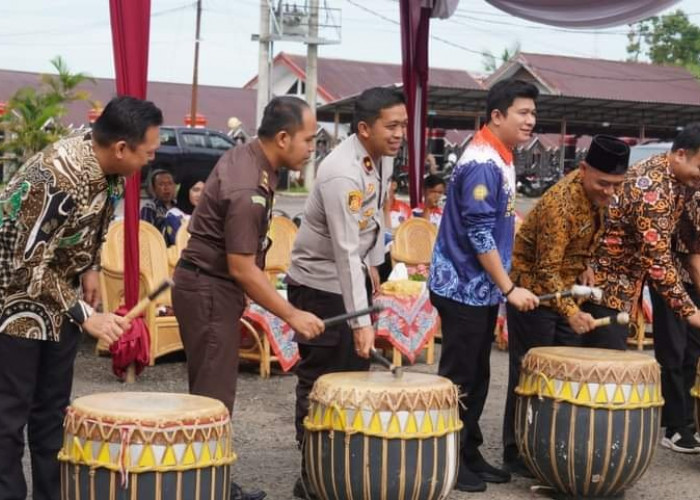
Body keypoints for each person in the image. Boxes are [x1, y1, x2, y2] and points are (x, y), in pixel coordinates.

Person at [0, 96, 163, 500]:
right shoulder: (58, 175)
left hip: (57, 297)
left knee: (53, 412)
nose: (150, 160)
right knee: (8, 416)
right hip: (13, 300)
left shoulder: (109, 171)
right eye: (148, 152)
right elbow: (25, 260)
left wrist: (88, 267)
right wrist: (84, 313)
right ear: (121, 148)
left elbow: (88, 228)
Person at [172, 96, 325, 500]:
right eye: (308, 140)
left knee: (213, 393)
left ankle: (209, 479)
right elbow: (242, 267)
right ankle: (205, 487)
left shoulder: (251, 159)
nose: (311, 149)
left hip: (211, 286)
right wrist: (292, 315)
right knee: (212, 399)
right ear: (282, 137)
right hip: (209, 288)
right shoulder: (247, 187)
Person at [286, 87, 407, 499]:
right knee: (323, 378)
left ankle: (341, 467)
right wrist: (360, 322)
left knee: (354, 379)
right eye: (391, 126)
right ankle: (313, 474)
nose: (399, 134)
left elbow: (373, 218)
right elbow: (343, 248)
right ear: (363, 128)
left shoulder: (380, 158)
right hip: (321, 284)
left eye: (403, 125)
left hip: (350, 275)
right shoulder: (341, 171)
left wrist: (374, 264)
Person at [428, 78, 540, 493]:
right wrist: (510, 288)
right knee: (459, 377)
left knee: (477, 374)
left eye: (533, 112)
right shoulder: (481, 162)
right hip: (461, 286)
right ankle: (448, 459)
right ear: (497, 115)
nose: (531, 120)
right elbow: (478, 234)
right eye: (523, 113)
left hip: (478, 287)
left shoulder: (501, 153)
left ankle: (468, 451)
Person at [502, 135, 630, 475]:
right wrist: (573, 313)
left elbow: (580, 243)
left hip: (564, 289)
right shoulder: (561, 204)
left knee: (562, 375)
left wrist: (584, 263)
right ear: (583, 169)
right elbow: (545, 271)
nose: (609, 192)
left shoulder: (599, 194)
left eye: (617, 184)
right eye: (603, 183)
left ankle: (550, 443)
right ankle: (517, 450)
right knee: (531, 371)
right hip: (534, 292)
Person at [586, 124, 700, 350]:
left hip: (623, 285)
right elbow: (657, 261)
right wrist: (691, 312)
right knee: (604, 368)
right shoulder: (653, 191)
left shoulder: (675, 177)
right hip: (605, 285)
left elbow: (688, 235)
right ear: (680, 155)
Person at [648, 189, 700, 453]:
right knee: (674, 353)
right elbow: (693, 260)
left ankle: (688, 423)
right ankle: (675, 427)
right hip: (671, 282)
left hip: (694, 282)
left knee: (692, 352)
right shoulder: (696, 199)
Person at [163, 173, 207, 246]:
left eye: (204, 191)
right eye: (196, 190)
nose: (200, 195)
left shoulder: (210, 213)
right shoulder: (174, 215)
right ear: (186, 191)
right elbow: (178, 241)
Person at [140, 169, 176, 235]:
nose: (166, 188)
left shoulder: (179, 207)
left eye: (170, 183)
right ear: (154, 188)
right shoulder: (149, 208)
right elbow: (146, 233)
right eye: (161, 184)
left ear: (174, 186)